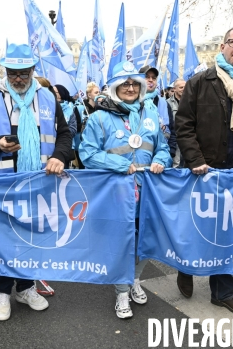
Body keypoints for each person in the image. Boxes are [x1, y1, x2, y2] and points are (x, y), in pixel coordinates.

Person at [0, 43, 72, 321]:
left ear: (32, 70)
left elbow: (64, 135)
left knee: (30, 237)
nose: (18, 78)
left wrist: (60, 156)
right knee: (3, 237)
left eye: (23, 72)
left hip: (39, 181)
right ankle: (2, 291)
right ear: (5, 71)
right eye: (13, 72)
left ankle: (25, 287)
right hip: (2, 183)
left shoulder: (48, 99)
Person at [176, 25, 233, 316]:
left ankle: (223, 292)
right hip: (201, 171)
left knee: (227, 232)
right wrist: (195, 161)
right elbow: (185, 125)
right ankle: (185, 268)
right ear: (222, 46)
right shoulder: (200, 81)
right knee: (194, 226)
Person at [79, 60, 172, 319]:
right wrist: (121, 164)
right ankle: (121, 291)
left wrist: (160, 160)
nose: (130, 88)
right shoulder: (99, 117)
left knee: (144, 241)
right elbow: (87, 153)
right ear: (115, 87)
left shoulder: (150, 113)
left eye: (134, 83)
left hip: (149, 193)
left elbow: (162, 146)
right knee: (121, 243)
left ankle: (135, 279)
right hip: (117, 193)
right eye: (125, 84)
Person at [139, 65, 177, 159]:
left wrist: (171, 153)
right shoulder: (133, 102)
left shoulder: (164, 103)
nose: (151, 80)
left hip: (162, 157)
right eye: (147, 77)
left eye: (154, 78)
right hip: (140, 157)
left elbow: (172, 130)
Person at [72, 82, 100, 169]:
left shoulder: (101, 109)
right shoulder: (80, 108)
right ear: (89, 95)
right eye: (96, 92)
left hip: (97, 145)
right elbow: (75, 127)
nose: (99, 94)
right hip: (81, 146)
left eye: (99, 92)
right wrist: (87, 122)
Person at [166, 78, 186, 167]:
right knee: (176, 165)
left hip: (188, 139)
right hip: (175, 140)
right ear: (175, 89)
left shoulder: (192, 102)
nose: (184, 89)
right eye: (181, 87)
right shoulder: (167, 103)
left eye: (185, 87)